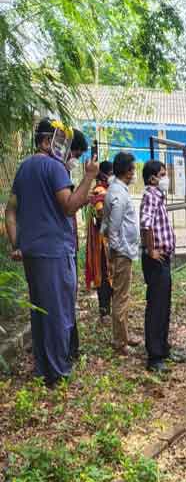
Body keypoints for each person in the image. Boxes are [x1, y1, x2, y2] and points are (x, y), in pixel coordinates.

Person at [4, 118, 98, 386]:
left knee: (40, 310)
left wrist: (16, 244)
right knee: (58, 311)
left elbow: (10, 211)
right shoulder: (54, 167)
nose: (63, 149)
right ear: (46, 141)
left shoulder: (24, 168)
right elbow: (68, 206)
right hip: (54, 251)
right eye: (59, 142)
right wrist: (89, 176)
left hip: (32, 252)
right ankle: (58, 373)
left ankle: (43, 367)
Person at [103, 152, 141, 353]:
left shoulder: (118, 190)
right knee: (120, 297)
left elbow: (106, 224)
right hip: (122, 252)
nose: (135, 173)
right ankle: (120, 342)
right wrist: (115, 252)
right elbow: (113, 228)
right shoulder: (118, 194)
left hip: (124, 251)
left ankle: (124, 335)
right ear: (127, 171)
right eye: (133, 169)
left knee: (123, 295)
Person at [139, 160, 175, 372]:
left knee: (164, 304)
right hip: (156, 260)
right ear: (152, 178)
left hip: (163, 258)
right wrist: (151, 250)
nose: (165, 178)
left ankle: (163, 347)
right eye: (162, 174)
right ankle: (154, 356)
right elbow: (146, 224)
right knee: (156, 306)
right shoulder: (150, 196)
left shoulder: (158, 197)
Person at [65, 129, 88, 360]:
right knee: (65, 298)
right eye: (76, 153)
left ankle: (72, 347)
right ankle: (69, 348)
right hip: (61, 249)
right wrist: (88, 177)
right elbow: (68, 207)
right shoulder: (55, 172)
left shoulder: (63, 174)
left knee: (69, 297)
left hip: (69, 245)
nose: (76, 159)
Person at [85, 161, 113, 321]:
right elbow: (100, 213)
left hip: (110, 242)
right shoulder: (99, 191)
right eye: (110, 173)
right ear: (103, 174)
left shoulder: (107, 190)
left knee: (112, 276)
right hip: (101, 244)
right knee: (103, 275)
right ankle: (104, 311)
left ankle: (111, 309)